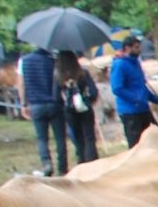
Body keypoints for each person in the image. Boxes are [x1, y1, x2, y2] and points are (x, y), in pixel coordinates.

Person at [109, 34, 158, 146]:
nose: (139, 50)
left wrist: (157, 100)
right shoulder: (120, 64)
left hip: (143, 108)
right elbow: (117, 88)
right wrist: (136, 99)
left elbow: (142, 86)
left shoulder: (135, 62)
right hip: (130, 111)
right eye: (136, 47)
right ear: (128, 48)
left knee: (156, 138)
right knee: (136, 143)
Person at [51, 51, 100, 166]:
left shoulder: (58, 77)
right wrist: (89, 100)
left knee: (78, 137)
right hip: (85, 108)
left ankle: (82, 161)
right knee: (89, 136)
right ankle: (92, 162)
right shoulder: (83, 73)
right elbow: (93, 91)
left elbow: (55, 97)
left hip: (70, 110)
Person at [19, 47, 61, 175]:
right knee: (59, 137)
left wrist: (23, 104)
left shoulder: (23, 61)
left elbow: (21, 84)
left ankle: (46, 163)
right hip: (54, 103)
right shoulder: (54, 61)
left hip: (36, 103)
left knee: (42, 138)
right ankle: (62, 166)